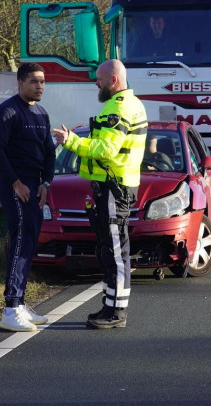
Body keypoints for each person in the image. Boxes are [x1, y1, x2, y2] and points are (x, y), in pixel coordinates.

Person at [53, 59, 147, 329]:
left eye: (100, 79)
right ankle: (110, 306)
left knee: (115, 251)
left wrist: (71, 141)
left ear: (114, 80)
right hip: (114, 185)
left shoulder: (119, 107)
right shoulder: (129, 103)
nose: (96, 82)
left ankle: (116, 312)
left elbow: (106, 150)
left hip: (113, 187)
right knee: (109, 249)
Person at [0, 63, 56, 332]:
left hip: (36, 186)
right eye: (34, 81)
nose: (40, 86)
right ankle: (10, 307)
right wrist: (16, 182)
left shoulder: (42, 113)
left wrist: (46, 184)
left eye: (42, 81)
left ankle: (20, 302)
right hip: (15, 185)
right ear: (20, 83)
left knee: (30, 240)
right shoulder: (6, 112)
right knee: (19, 239)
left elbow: (49, 153)